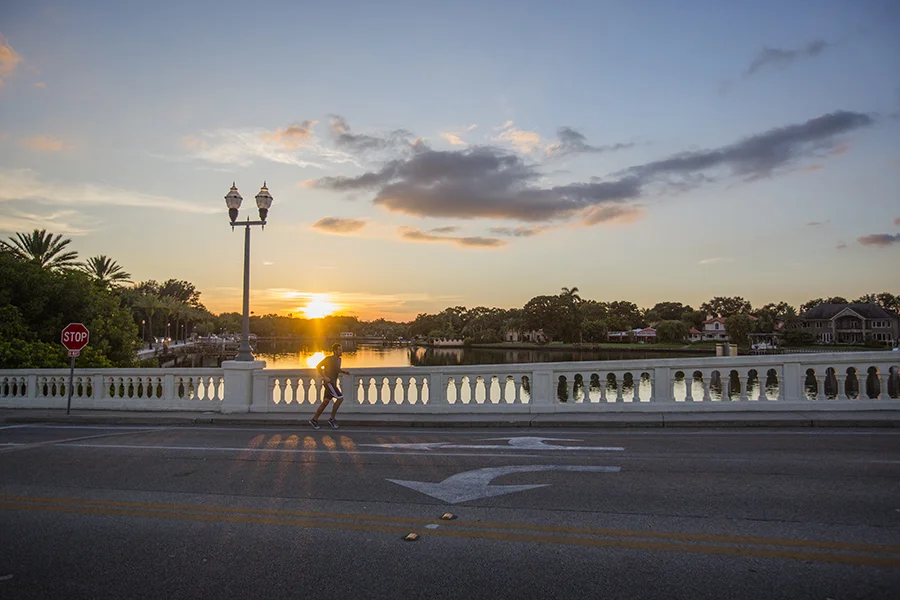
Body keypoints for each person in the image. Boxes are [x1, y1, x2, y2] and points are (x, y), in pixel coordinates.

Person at [310, 343, 350, 429]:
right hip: (329, 383)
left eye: (341, 349)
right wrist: (324, 377)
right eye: (339, 350)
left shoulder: (339, 360)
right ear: (335, 351)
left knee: (325, 402)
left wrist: (344, 372)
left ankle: (314, 420)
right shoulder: (329, 359)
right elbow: (318, 366)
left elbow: (336, 369)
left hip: (333, 383)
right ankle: (332, 419)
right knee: (340, 398)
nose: (341, 351)